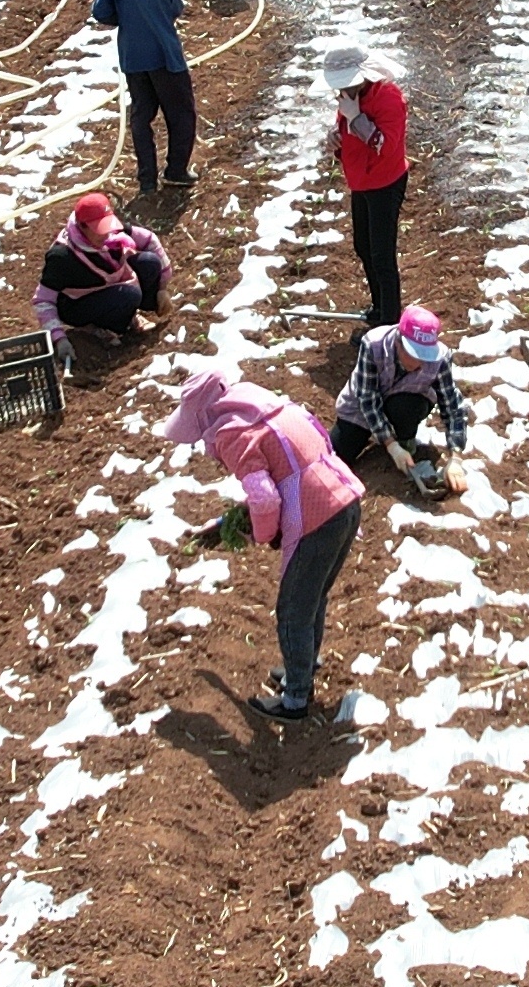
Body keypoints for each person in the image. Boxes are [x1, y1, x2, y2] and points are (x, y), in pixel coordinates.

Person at [172, 365, 359, 724]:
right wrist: (229, 522)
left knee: (292, 610)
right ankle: (303, 664)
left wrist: (260, 534)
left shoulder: (233, 433)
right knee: (312, 596)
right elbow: (288, 472)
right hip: (345, 502)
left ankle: (295, 700)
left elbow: (264, 498)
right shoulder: (273, 412)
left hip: (316, 517)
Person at [91, 0, 195, 199]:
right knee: (181, 114)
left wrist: (126, 19)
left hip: (133, 57)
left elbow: (101, 12)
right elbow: (175, 10)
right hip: (165, 56)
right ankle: (176, 172)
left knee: (141, 116)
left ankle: (146, 179)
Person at [315, 41, 411, 328]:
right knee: (363, 246)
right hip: (361, 182)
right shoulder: (349, 98)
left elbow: (383, 144)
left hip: (385, 183)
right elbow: (344, 128)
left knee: (382, 254)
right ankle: (379, 305)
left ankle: (389, 323)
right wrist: (336, 135)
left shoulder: (389, 99)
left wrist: (356, 117)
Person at [328, 305, 469, 494]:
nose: (418, 362)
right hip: (360, 409)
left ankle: (405, 441)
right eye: (412, 354)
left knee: (405, 408)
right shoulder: (373, 344)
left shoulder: (440, 359)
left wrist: (456, 458)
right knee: (336, 458)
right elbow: (367, 398)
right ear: (398, 341)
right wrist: (390, 445)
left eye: (423, 356)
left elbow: (452, 406)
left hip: (405, 402)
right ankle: (390, 442)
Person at [44, 192, 170, 352]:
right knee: (129, 295)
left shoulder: (112, 234)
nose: (106, 234)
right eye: (98, 229)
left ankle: (129, 317)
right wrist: (59, 338)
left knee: (150, 263)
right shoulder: (62, 256)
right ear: (82, 227)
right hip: (78, 304)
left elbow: (150, 239)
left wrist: (162, 287)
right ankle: (96, 328)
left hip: (109, 285)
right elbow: (43, 300)